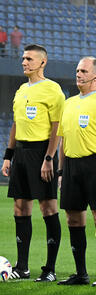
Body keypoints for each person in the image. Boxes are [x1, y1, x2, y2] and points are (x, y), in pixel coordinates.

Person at [2, 44, 64, 281]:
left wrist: (49, 158)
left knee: (48, 208)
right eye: (23, 58)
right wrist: (8, 156)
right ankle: (22, 267)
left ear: (42, 62)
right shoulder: (20, 90)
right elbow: (16, 125)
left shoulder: (53, 90)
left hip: (42, 153)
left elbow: (57, 127)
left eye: (28, 58)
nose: (24, 62)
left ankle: (49, 269)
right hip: (21, 152)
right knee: (20, 207)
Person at [57, 57, 96, 287]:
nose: (79, 74)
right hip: (71, 165)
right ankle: (81, 273)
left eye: (83, 70)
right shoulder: (69, 103)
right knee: (73, 218)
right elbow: (63, 139)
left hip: (95, 165)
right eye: (77, 70)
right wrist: (61, 171)